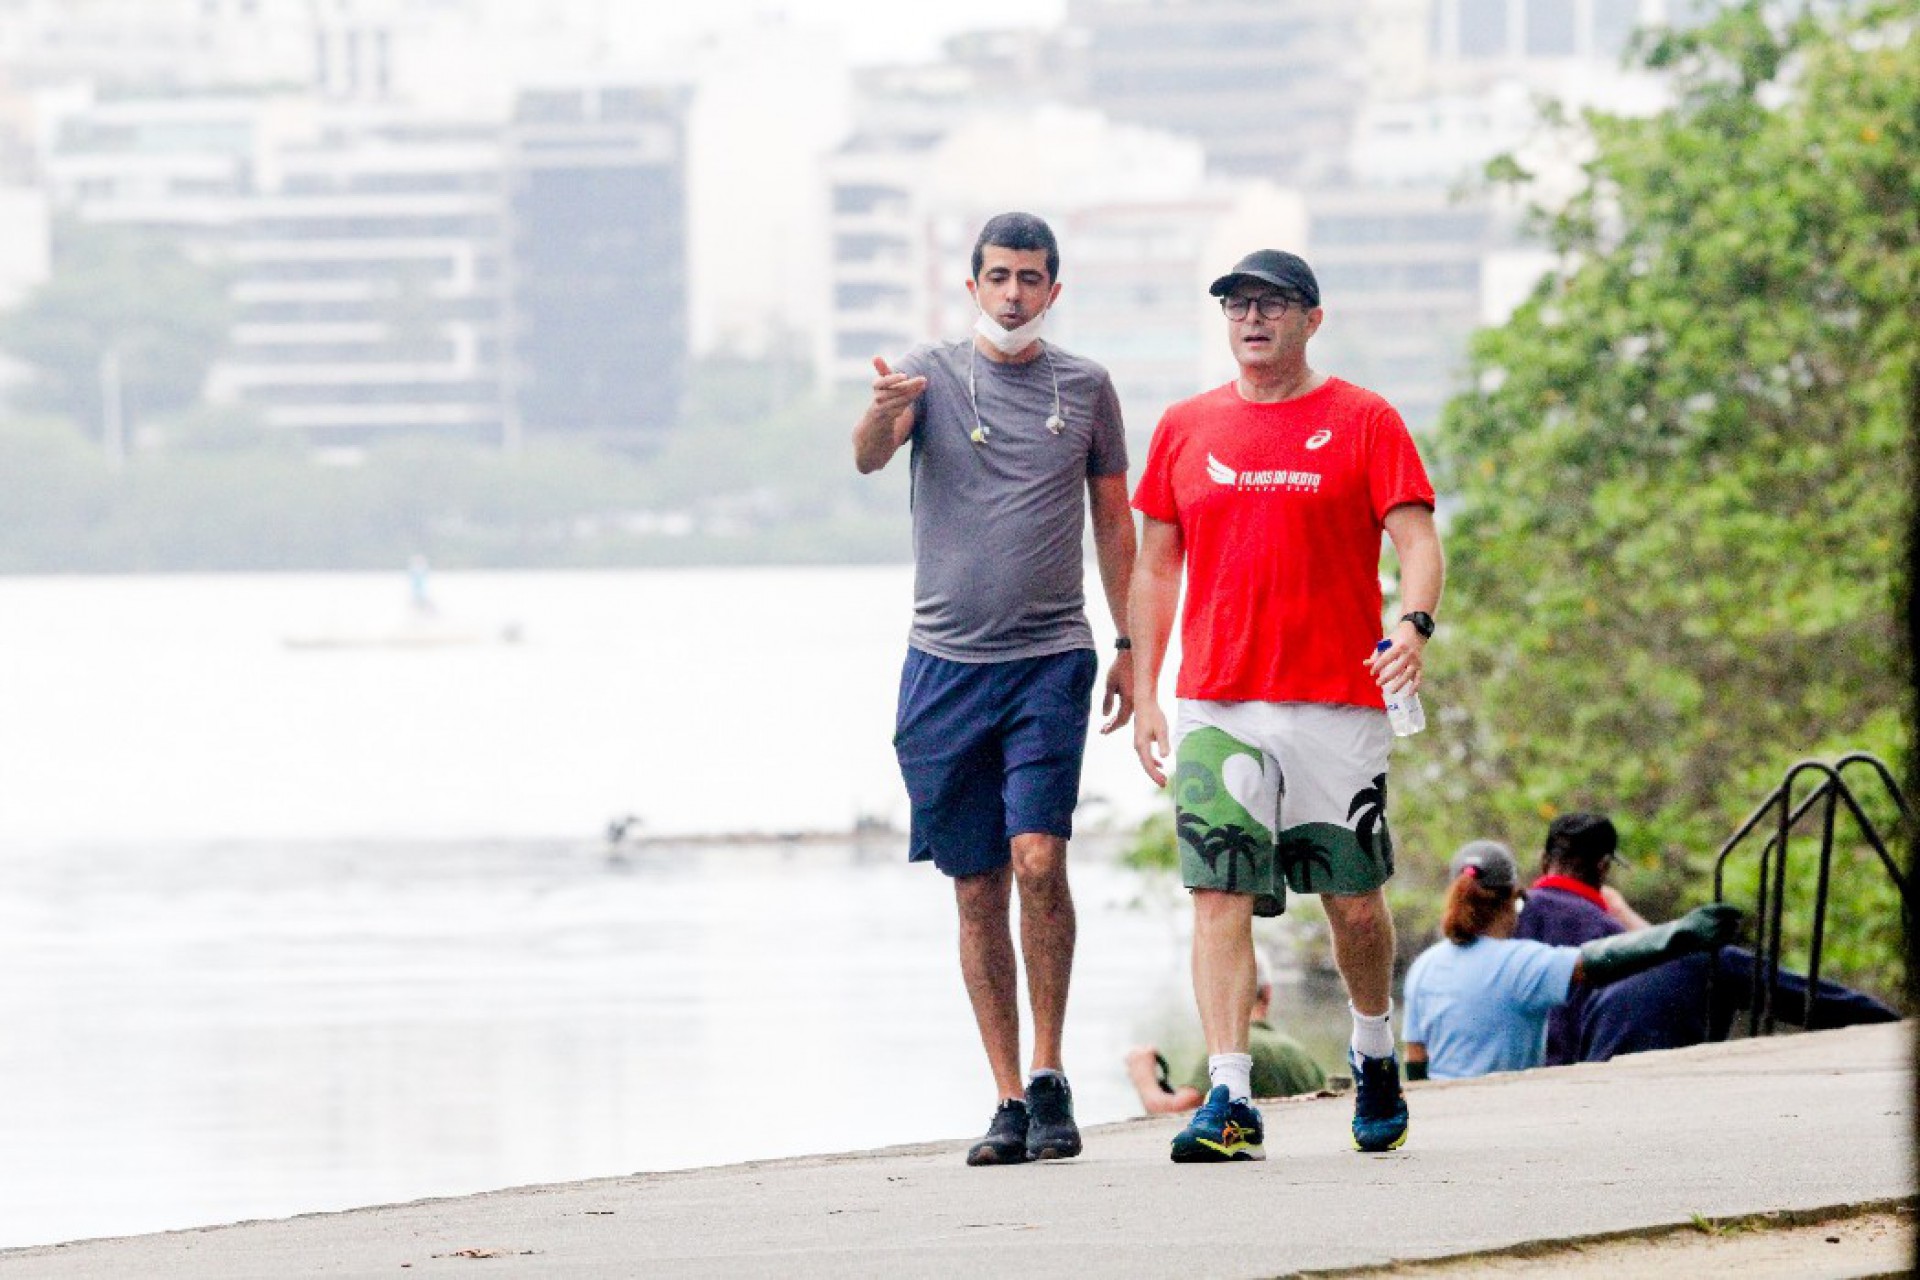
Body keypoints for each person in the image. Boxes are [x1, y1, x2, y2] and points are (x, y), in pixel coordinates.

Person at [1128, 248, 1444, 1162]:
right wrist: (1147, 691)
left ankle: (1374, 1049)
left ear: (1313, 318)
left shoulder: (1365, 420)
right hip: (1218, 701)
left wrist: (1414, 625)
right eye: (1236, 306)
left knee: (1352, 903)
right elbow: (1156, 564)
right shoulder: (1187, 426)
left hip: (1337, 700)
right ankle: (1229, 1098)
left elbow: (1418, 539)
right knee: (1217, 889)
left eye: (1271, 304)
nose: (1252, 319)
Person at [852, 212, 1136, 1167]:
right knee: (976, 889)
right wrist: (884, 413)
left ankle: (1053, 1077)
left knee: (1039, 859)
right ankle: (1008, 1097)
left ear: (1055, 290)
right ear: (972, 284)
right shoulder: (929, 376)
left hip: (1050, 657)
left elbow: (1114, 525)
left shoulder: (1088, 388)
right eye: (999, 276)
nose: (1015, 293)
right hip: (942, 667)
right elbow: (864, 456)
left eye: (1032, 278)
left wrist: (1133, 640)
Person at [1515, 812, 1898, 1063]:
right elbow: (1656, 963)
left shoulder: (1507, 923)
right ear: (1603, 868)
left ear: (1542, 859)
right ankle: (1887, 1021)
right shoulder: (1608, 935)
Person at [1401, 840, 1742, 1081]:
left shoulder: (1424, 966)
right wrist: (1681, 933)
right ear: (1511, 900)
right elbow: (1602, 961)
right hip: (1502, 1111)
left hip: (1442, 1112)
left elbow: (1415, 1060)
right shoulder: (1521, 963)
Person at [1124, 950, 1326, 1118]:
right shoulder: (1301, 1055)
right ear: (1267, 993)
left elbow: (1173, 1113)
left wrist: (1144, 1075)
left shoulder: (1229, 1053)